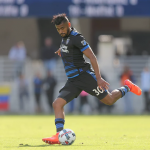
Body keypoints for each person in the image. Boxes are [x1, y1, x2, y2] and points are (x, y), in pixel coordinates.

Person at [42, 13, 142, 144]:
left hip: (84, 76)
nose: (61, 31)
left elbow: (92, 57)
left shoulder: (77, 37)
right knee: (57, 104)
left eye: (62, 28)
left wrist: (99, 78)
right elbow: (70, 47)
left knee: (110, 100)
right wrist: (63, 50)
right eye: (58, 29)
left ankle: (128, 87)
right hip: (73, 80)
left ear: (69, 25)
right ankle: (59, 135)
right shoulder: (65, 38)